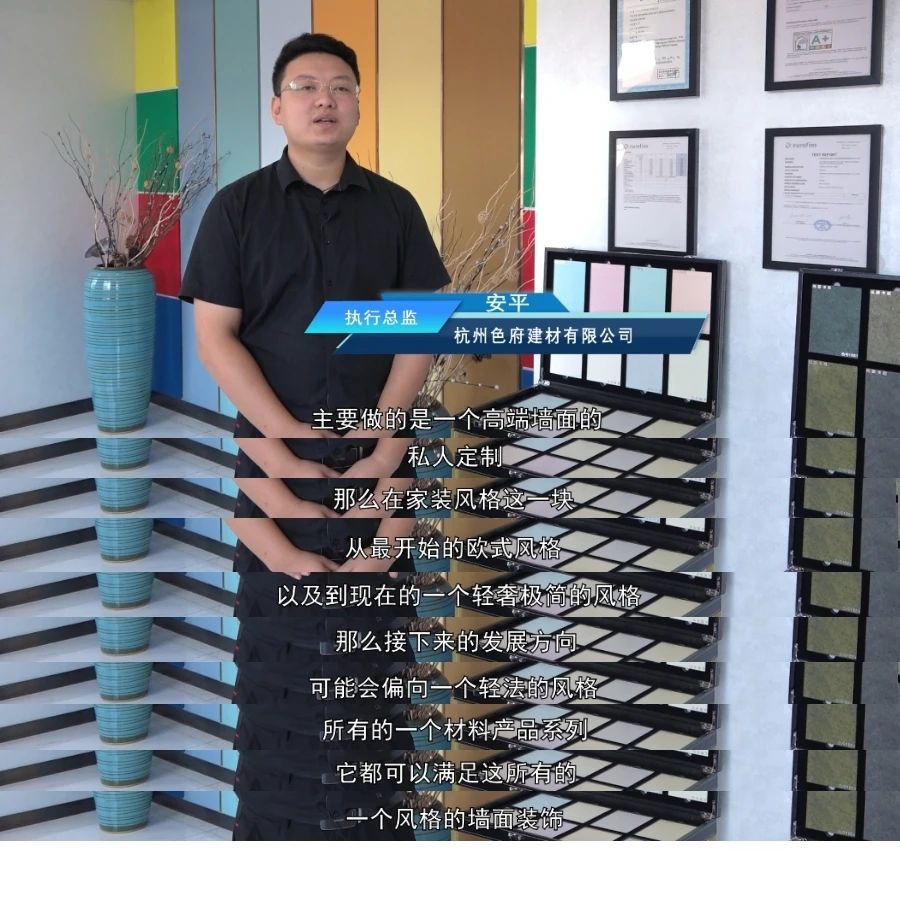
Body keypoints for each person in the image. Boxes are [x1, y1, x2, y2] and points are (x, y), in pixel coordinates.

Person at [180, 32, 450, 840]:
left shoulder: (395, 207)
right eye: (305, 86)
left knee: (371, 658)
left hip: (378, 459)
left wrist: (388, 441)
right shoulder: (237, 209)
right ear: (278, 107)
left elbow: (420, 331)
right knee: (285, 662)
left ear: (358, 104)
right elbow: (216, 336)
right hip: (274, 463)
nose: (324, 98)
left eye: (340, 85)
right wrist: (284, 433)